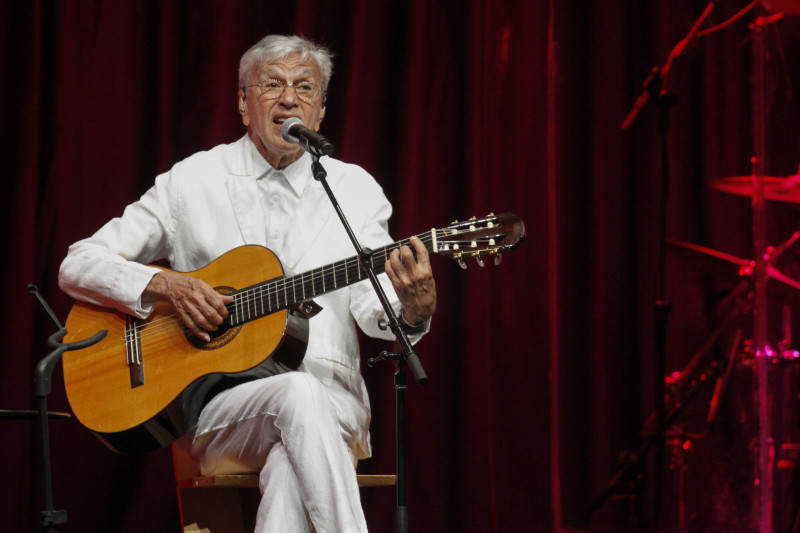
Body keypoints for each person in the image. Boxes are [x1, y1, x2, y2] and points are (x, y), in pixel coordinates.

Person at [58, 34, 436, 532]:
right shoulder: (192, 181)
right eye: (272, 84)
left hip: (334, 401)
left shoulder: (355, 190)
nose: (289, 98)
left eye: (305, 87)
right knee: (296, 394)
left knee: (293, 451)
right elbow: (78, 264)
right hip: (219, 410)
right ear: (242, 103)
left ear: (321, 110)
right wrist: (165, 286)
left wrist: (413, 310)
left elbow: (374, 312)